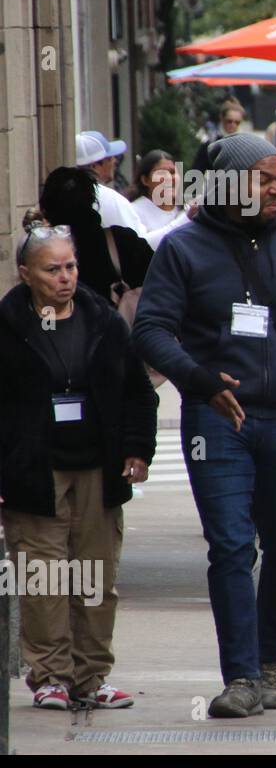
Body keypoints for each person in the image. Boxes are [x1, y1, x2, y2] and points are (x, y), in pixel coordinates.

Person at [132, 133, 276, 718]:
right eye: (263, 178)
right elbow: (151, 330)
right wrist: (200, 380)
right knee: (232, 547)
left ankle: (271, 662)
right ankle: (240, 676)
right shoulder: (183, 250)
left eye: (275, 177)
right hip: (217, 422)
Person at [0, 223, 158, 711]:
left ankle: (91, 676)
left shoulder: (104, 321)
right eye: (52, 269)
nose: (65, 277)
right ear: (26, 273)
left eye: (70, 266)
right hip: (32, 467)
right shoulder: (7, 327)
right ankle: (50, 675)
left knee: (95, 573)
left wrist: (138, 449)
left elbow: (137, 391)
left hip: (97, 464)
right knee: (43, 575)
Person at [38, 166, 152, 306]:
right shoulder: (124, 242)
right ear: (92, 200)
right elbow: (161, 283)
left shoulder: (40, 256)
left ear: (47, 210)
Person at [76, 132, 149, 235]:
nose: (114, 161)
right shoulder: (109, 199)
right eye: (109, 158)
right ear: (94, 166)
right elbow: (141, 242)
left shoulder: (60, 194)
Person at [128, 150, 195, 249]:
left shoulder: (185, 209)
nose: (169, 178)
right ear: (145, 180)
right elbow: (144, 245)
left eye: (172, 172)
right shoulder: (133, 210)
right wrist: (186, 218)